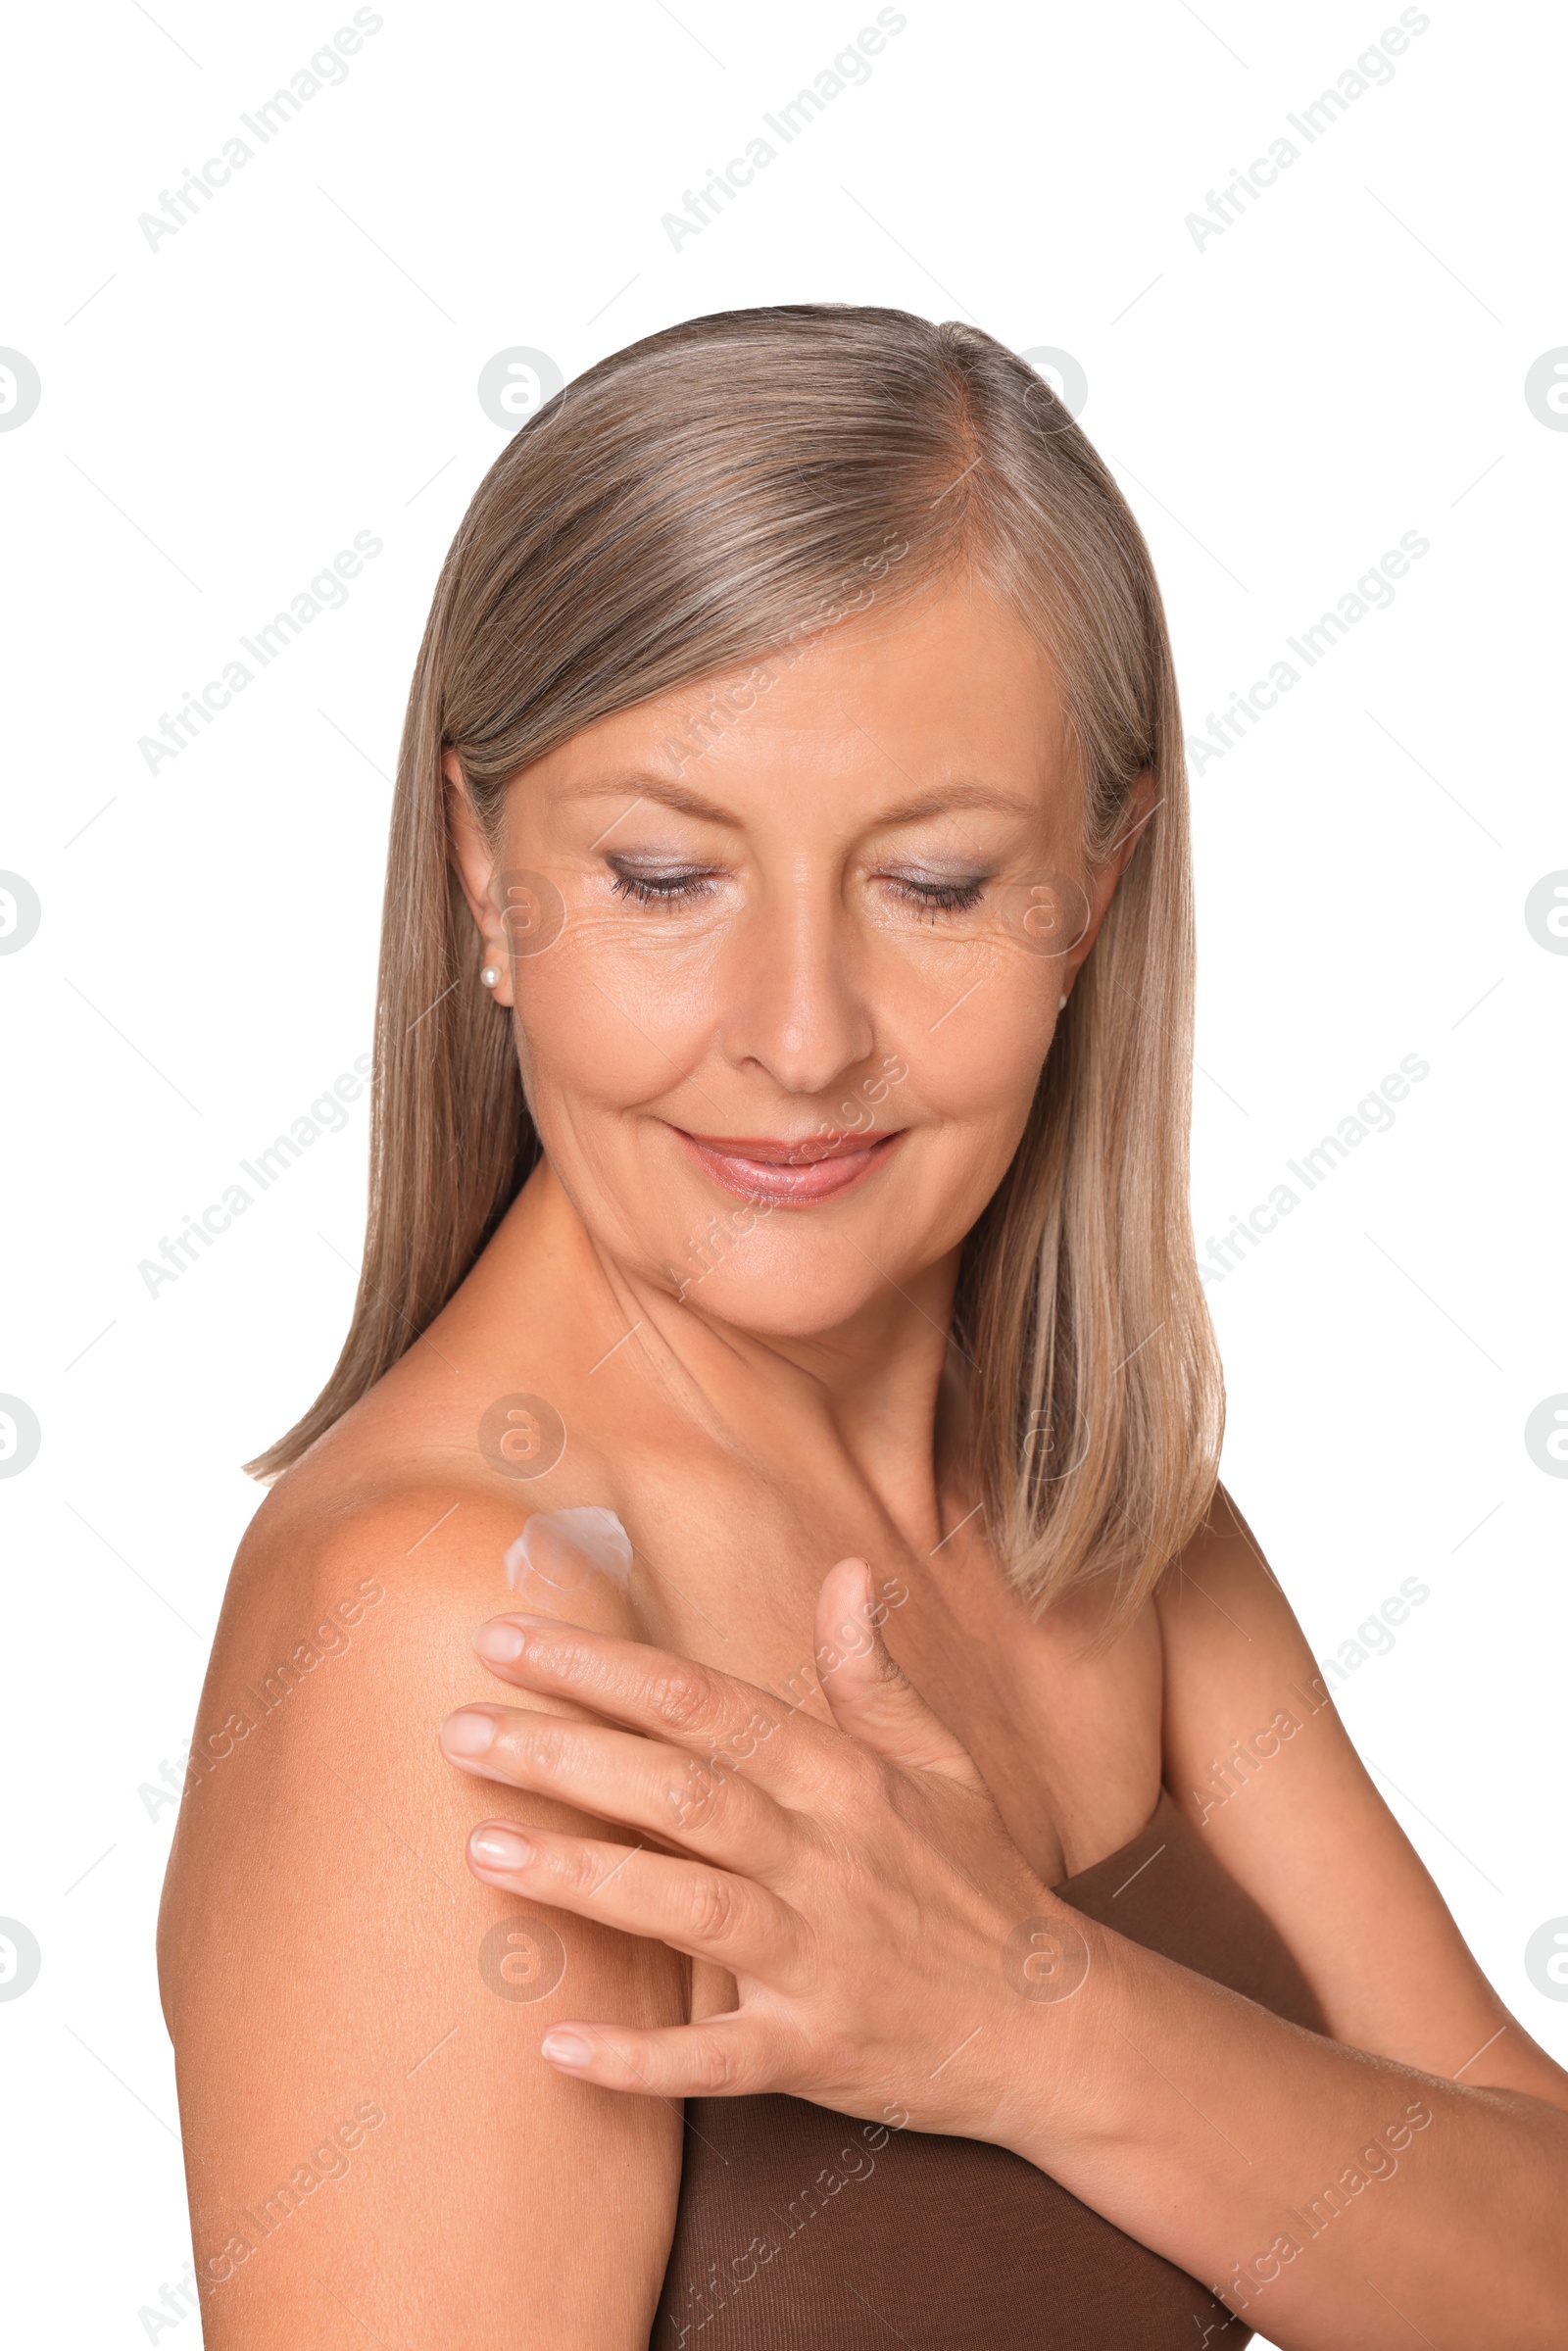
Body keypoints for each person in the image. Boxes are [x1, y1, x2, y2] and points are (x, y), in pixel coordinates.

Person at [157, 306, 1568, 2348]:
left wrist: (1034, 2022)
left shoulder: (1097, 1511)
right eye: (661, 877)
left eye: (928, 882)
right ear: (481, 871)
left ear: (1093, 888)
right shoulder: (467, 1627)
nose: (799, 1039)